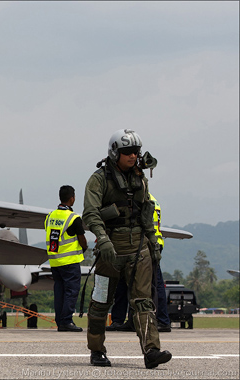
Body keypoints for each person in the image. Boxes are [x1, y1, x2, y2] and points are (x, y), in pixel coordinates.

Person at [82, 129, 172, 369]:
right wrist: (103, 239)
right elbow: (90, 214)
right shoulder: (98, 179)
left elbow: (146, 213)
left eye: (136, 152)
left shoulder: (140, 178)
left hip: (139, 246)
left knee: (143, 301)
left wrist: (153, 243)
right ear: (115, 153)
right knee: (101, 302)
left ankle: (151, 351)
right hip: (110, 249)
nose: (133, 156)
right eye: (127, 152)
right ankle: (97, 350)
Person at [107, 193, 171, 333]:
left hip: (147, 244)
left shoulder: (142, 199)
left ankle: (162, 320)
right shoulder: (149, 198)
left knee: (153, 284)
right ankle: (126, 320)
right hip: (137, 244)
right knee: (126, 283)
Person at [45, 185, 88, 332]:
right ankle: (67, 321)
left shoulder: (50, 216)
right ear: (72, 198)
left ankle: (60, 321)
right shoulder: (73, 218)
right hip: (69, 261)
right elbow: (82, 239)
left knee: (59, 291)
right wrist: (84, 248)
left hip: (55, 260)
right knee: (71, 291)